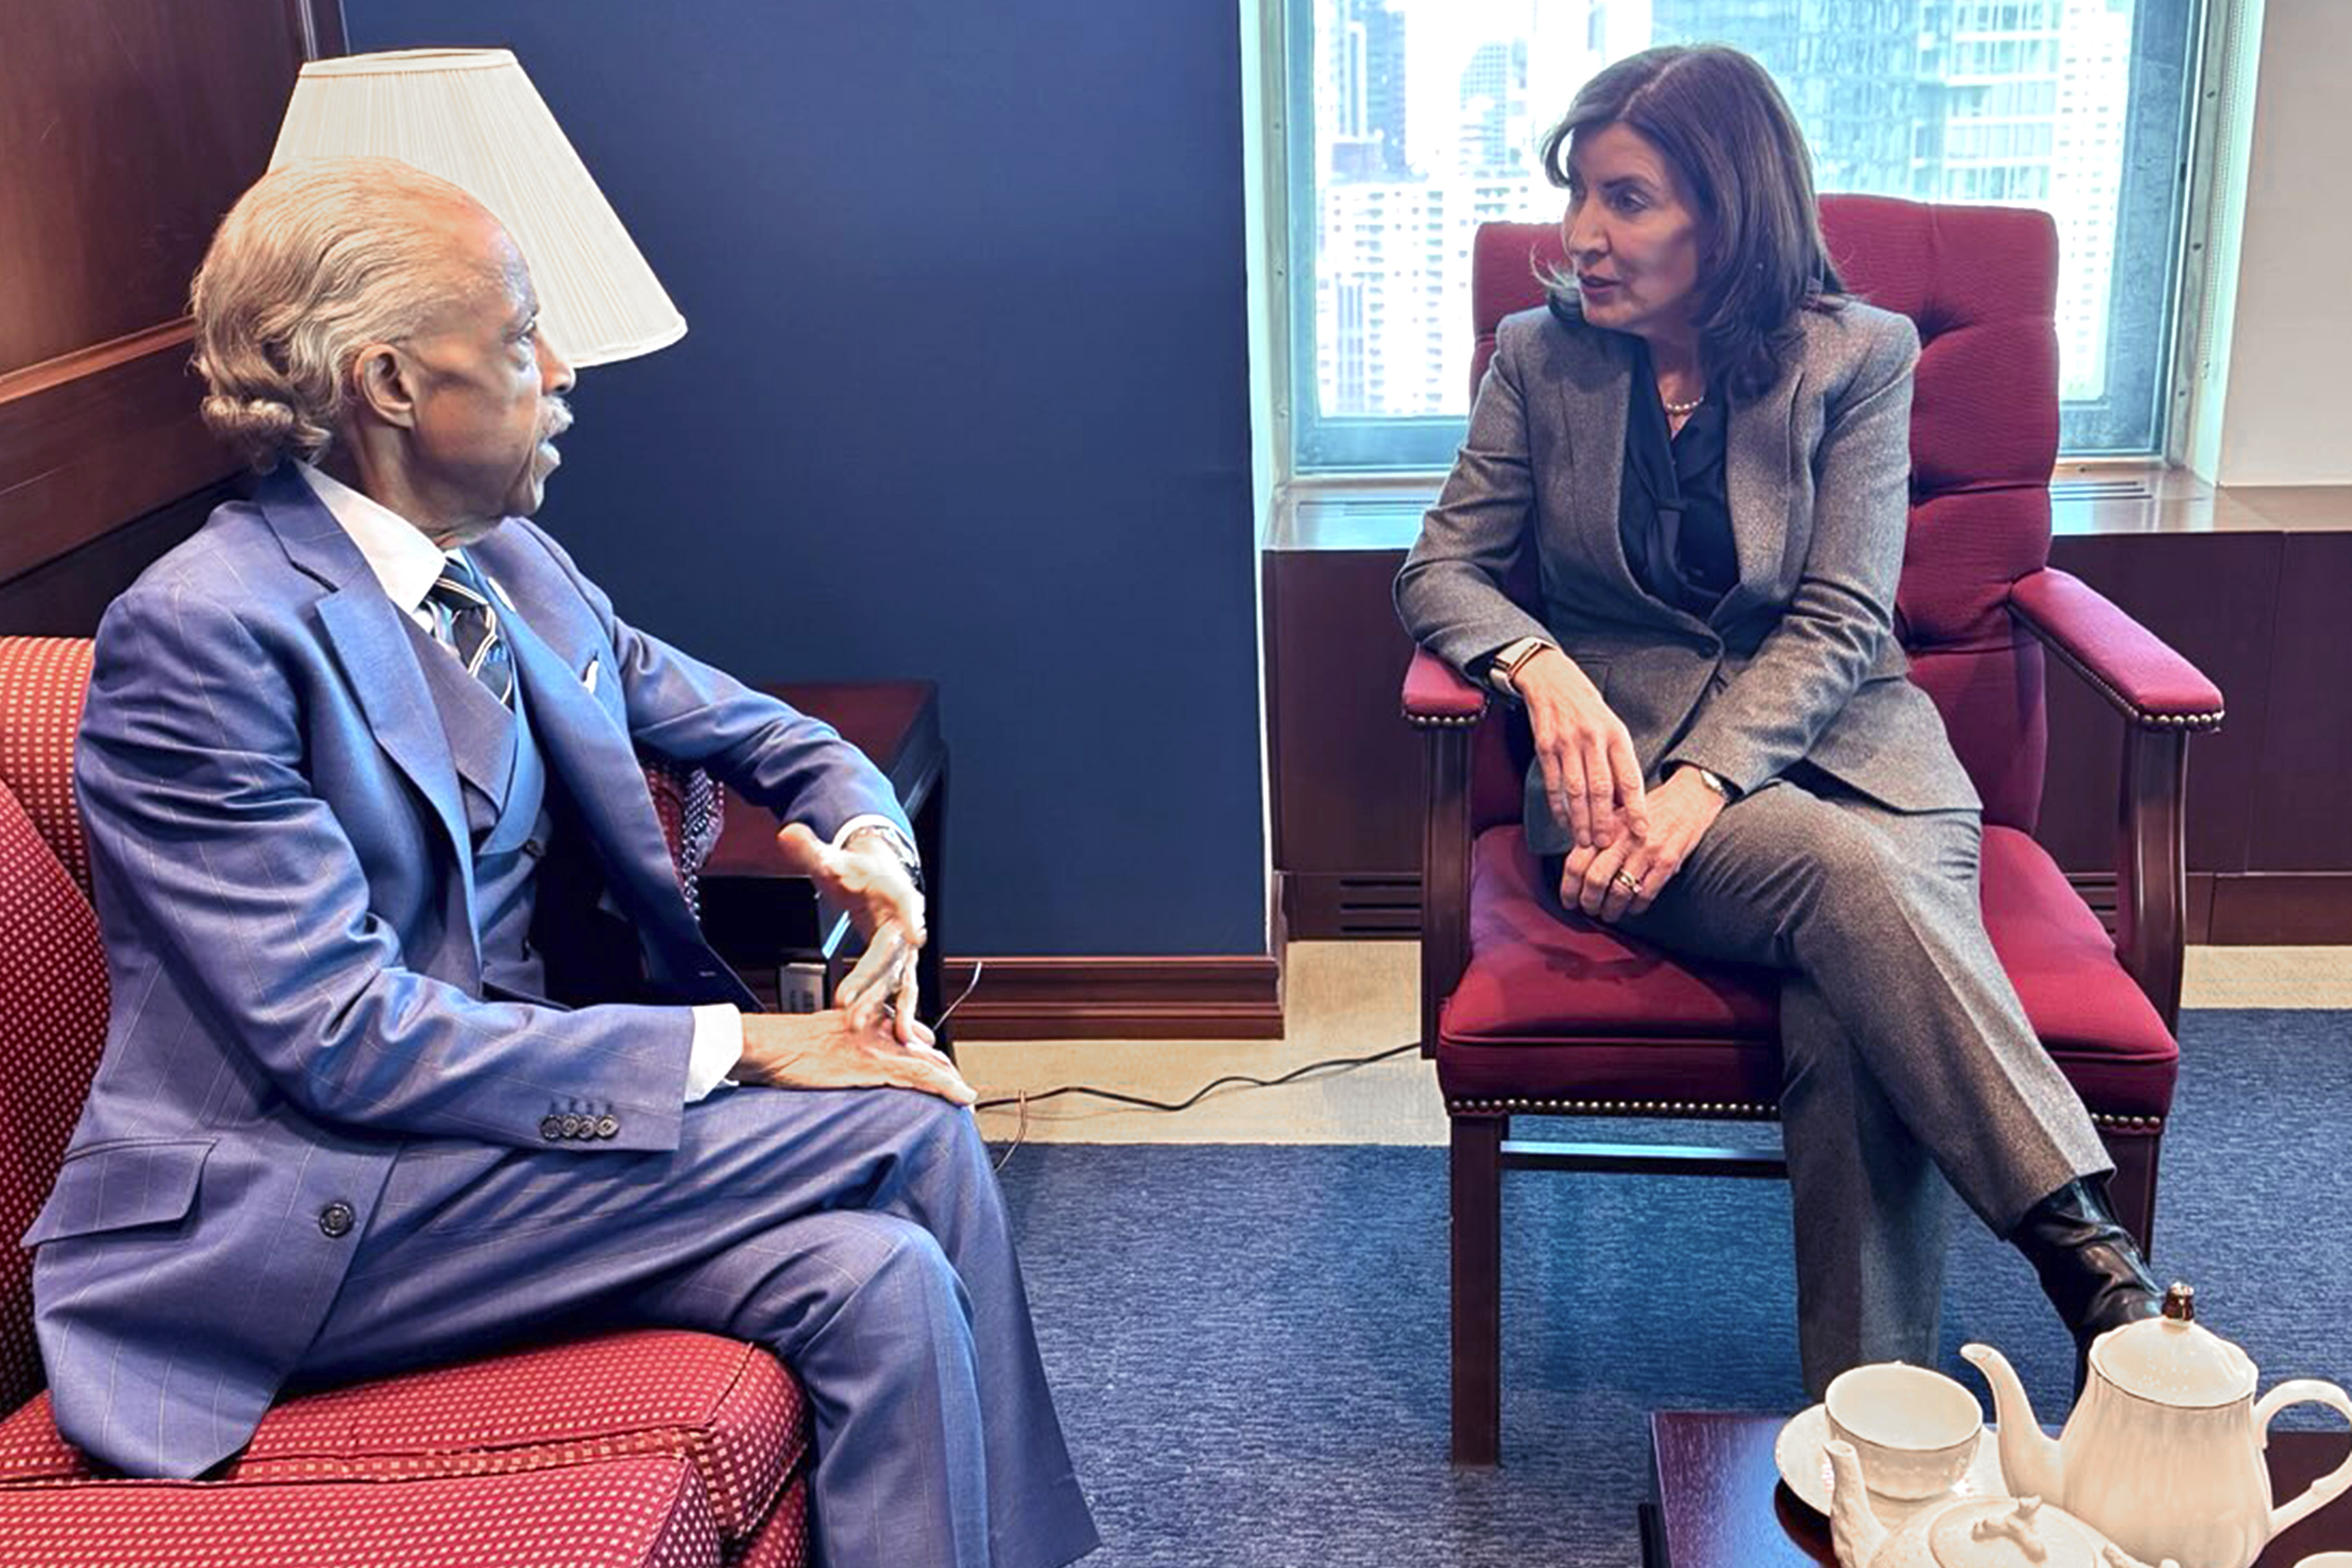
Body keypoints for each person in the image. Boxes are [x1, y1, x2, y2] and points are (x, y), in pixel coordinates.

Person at [27, 158, 1098, 1568]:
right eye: (525, 328)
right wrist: (758, 1049)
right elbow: (339, 1041)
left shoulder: (511, 567)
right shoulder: (206, 635)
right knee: (907, 1120)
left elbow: (769, 734)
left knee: (880, 1277)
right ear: (391, 384)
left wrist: (867, 842)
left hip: (499, 1155)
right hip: (297, 1214)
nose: (566, 366)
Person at [1395, 45, 2161, 1396]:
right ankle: (2081, 1257)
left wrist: (1706, 784)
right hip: (1620, 793)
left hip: (1865, 767)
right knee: (1841, 884)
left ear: (1730, 209)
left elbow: (1842, 619)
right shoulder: (1539, 359)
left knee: (1851, 1010)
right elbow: (1439, 570)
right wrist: (1539, 664)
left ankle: (1871, 1439)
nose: (1580, 236)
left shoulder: (1858, 357)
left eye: (1626, 201)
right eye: (1578, 193)